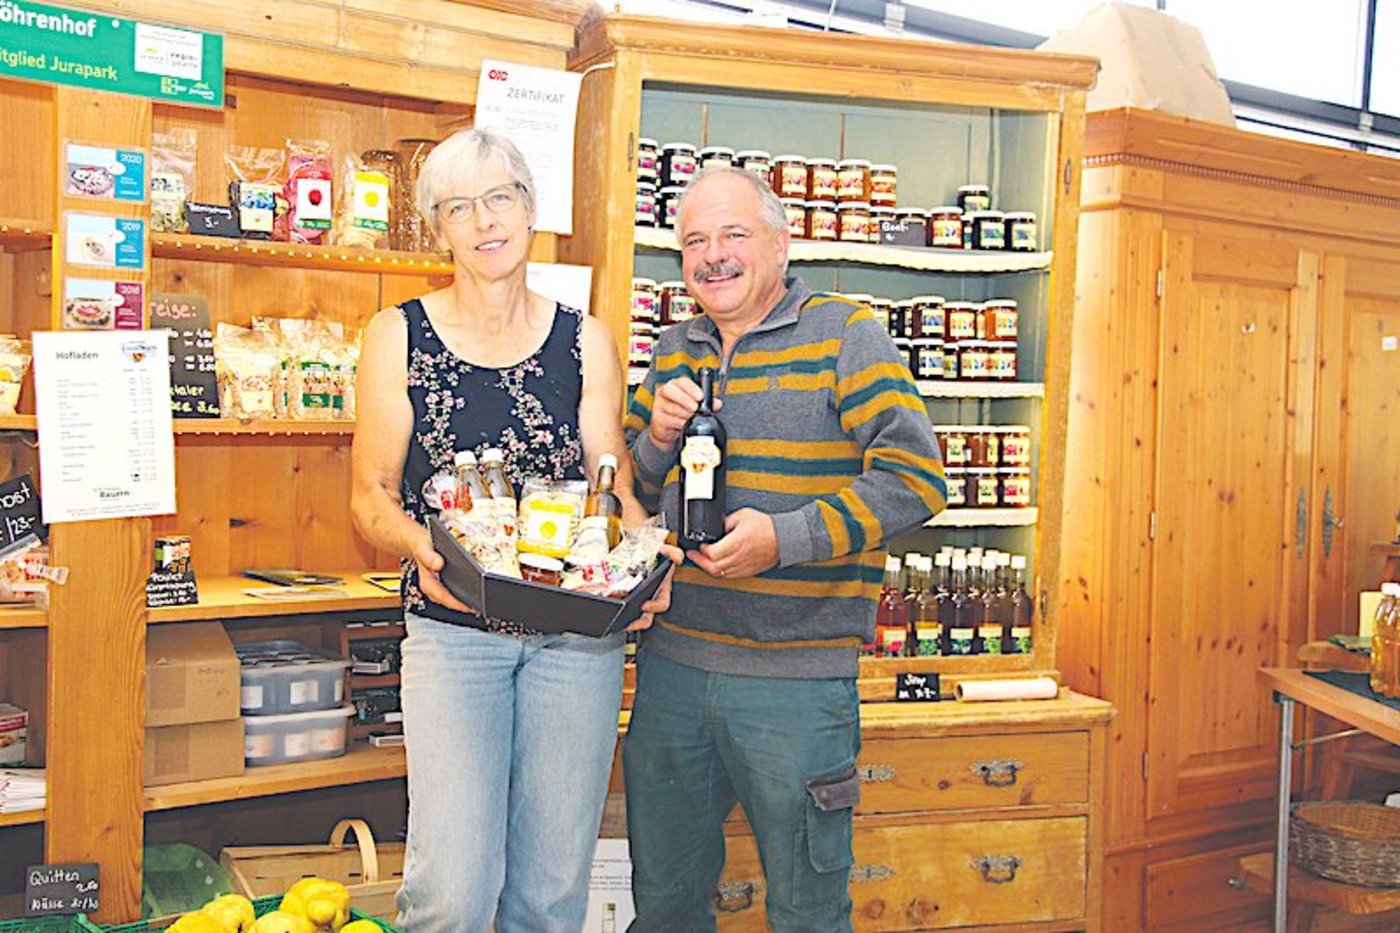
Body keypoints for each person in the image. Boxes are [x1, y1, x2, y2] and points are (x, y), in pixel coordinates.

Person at [350, 127, 673, 932]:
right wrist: (422, 548)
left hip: (576, 641)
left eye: (501, 197)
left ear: (532, 210)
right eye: (460, 205)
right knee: (452, 888)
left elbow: (612, 479)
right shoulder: (397, 336)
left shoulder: (585, 338)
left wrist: (641, 563)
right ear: (439, 227)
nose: (485, 220)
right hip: (456, 633)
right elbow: (371, 495)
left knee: (551, 888)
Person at [622, 166, 946, 931]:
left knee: (806, 910)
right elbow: (630, 488)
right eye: (695, 240)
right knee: (664, 904)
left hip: (795, 686)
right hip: (672, 670)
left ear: (779, 242)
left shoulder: (844, 332)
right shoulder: (674, 347)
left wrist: (785, 540)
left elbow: (918, 477)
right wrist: (658, 438)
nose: (714, 255)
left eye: (734, 234)